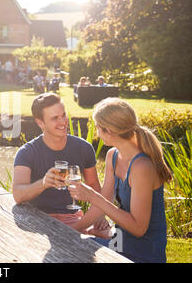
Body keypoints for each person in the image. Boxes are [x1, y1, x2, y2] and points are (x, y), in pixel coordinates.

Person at [68, 98, 172, 263]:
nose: (97, 133)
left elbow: (138, 229)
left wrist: (92, 196)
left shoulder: (142, 167)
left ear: (109, 131)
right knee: (72, 243)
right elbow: (104, 203)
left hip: (145, 253)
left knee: (74, 252)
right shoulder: (113, 156)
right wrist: (72, 229)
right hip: (121, 242)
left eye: (97, 128)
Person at [13, 93, 111, 238]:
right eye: (54, 118)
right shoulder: (27, 152)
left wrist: (99, 215)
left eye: (63, 115)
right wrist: (44, 183)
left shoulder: (83, 147)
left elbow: (94, 185)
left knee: (111, 236)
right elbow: (18, 195)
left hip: (72, 217)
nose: (63, 122)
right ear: (40, 123)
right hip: (38, 220)